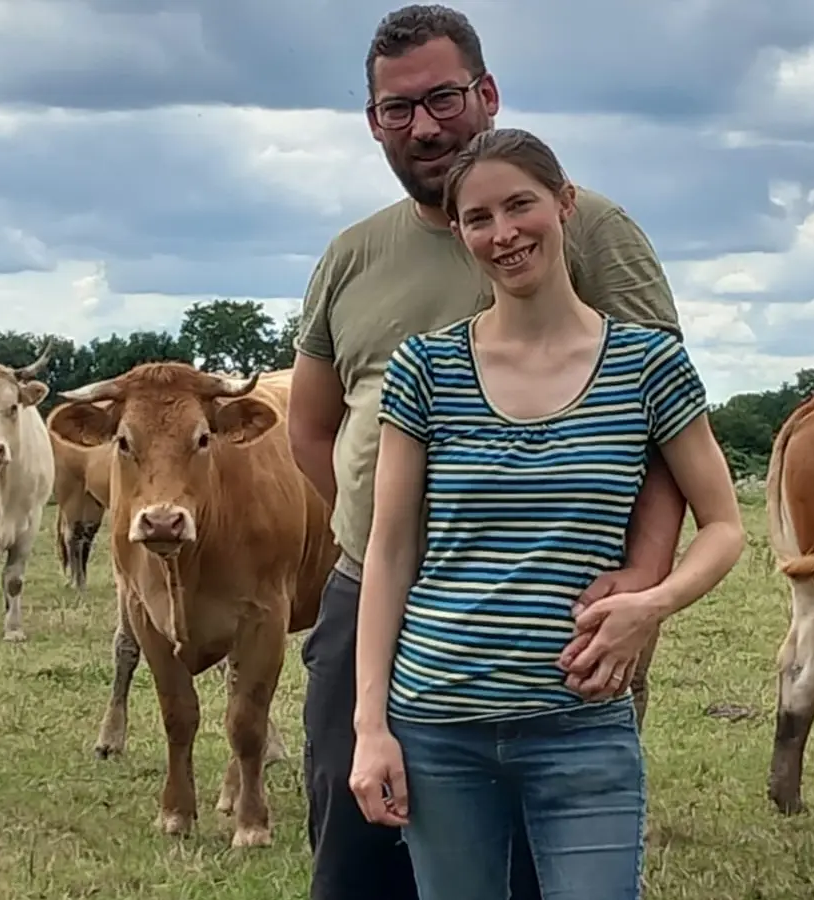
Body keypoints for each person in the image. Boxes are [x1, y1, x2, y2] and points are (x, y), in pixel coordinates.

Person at [287, 6, 691, 899]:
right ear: (373, 122)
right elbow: (312, 425)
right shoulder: (353, 255)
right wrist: (381, 537)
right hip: (373, 597)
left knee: (525, 869)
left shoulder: (591, 233)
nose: (424, 125)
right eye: (399, 109)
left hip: (544, 604)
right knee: (357, 860)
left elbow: (663, 421)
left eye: (442, 97)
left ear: (488, 93)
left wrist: (645, 581)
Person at [346, 126, 745, 900]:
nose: (504, 234)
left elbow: (725, 525)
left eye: (520, 205)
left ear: (564, 206)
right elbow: (389, 552)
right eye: (478, 219)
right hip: (437, 725)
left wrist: (649, 603)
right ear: (459, 233)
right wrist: (370, 728)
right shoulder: (424, 369)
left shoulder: (647, 364)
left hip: (581, 724)